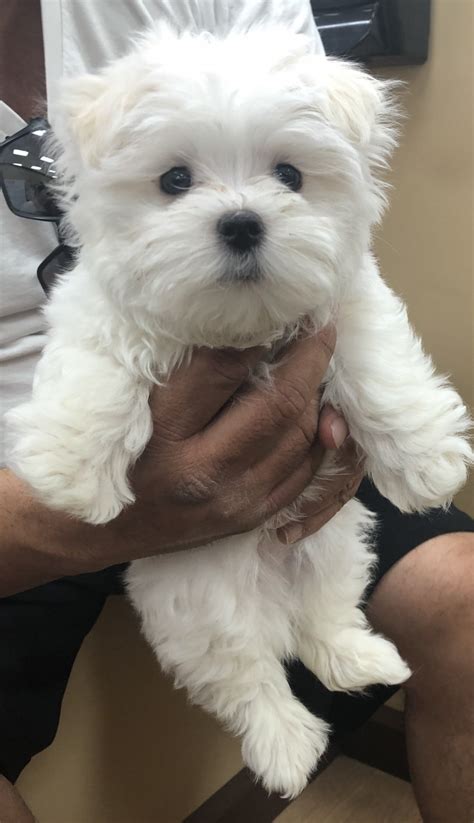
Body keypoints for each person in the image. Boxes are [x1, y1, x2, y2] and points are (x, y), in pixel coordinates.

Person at [0, 2, 472, 822]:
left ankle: (326, 633)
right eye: (178, 180)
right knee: (196, 596)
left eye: (282, 176)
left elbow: (347, 286)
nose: (241, 209)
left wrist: (398, 424)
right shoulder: (108, 278)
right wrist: (95, 497)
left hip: (280, 428)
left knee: (429, 584)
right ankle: (262, 703)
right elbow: (93, 358)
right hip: (20, 481)